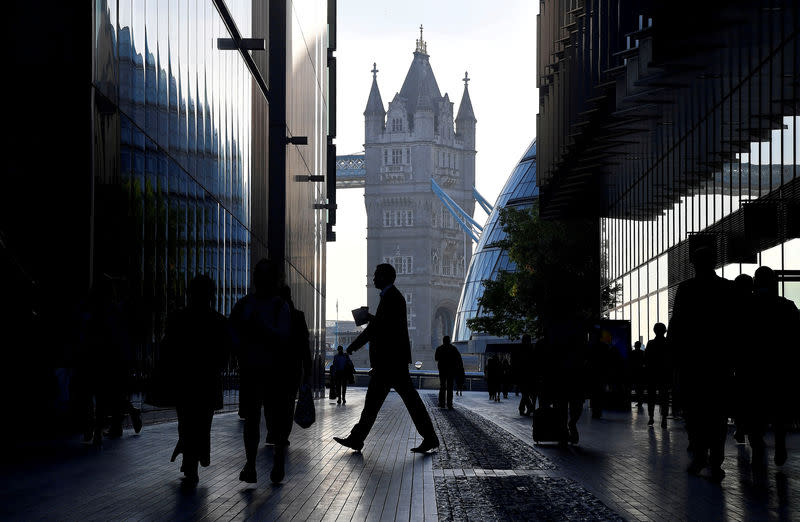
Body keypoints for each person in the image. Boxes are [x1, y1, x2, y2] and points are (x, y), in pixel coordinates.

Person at [333, 264, 439, 454]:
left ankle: (358, 438)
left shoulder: (391, 298)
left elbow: (378, 329)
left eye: (376, 276)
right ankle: (358, 438)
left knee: (386, 402)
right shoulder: (392, 297)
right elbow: (385, 325)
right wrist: (372, 318)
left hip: (389, 362)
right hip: (392, 362)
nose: (373, 279)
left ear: (385, 277)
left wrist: (353, 345)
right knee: (391, 402)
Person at [668, 244, 735, 481]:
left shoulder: (686, 289)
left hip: (692, 363)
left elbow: (676, 326)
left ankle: (699, 454)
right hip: (719, 362)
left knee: (694, 411)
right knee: (717, 413)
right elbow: (735, 327)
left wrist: (675, 358)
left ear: (694, 264)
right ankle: (716, 458)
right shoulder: (727, 288)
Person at [163, 275, 229, 485]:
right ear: (211, 295)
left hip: (184, 380)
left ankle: (190, 459)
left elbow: (167, 349)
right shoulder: (218, 321)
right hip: (207, 380)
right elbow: (223, 356)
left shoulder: (177, 318)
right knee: (202, 422)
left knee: (186, 421)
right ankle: (196, 456)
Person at [230, 259, 292, 484]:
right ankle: (257, 463)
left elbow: (282, 336)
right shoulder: (276, 306)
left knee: (261, 420)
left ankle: (262, 462)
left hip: (262, 369)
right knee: (257, 419)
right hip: (261, 370)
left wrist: (257, 328)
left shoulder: (266, 305)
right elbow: (233, 333)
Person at [745, 266, 799, 466]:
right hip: (780, 367)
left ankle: (758, 445)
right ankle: (779, 444)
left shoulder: (746, 306)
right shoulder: (787, 306)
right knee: (779, 410)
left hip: (753, 368)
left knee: (755, 410)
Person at [644, 323, 671, 428]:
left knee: (651, 397)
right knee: (664, 397)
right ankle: (664, 419)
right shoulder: (668, 343)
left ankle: (651, 418)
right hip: (664, 374)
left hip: (652, 374)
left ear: (654, 330)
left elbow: (646, 359)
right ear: (665, 331)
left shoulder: (650, 343)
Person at [435, 336, 460, 409]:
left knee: (442, 386)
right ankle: (449, 403)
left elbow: (436, 358)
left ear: (443, 341)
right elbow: (458, 359)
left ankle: (441, 403)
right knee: (450, 387)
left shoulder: (439, 348)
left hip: (442, 370)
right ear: (449, 341)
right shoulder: (453, 349)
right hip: (451, 370)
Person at [515, 334, 536, 415]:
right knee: (526, 393)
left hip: (522, 374)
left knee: (525, 393)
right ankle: (527, 408)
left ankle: (524, 408)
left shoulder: (520, 349)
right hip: (530, 374)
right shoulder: (531, 349)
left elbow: (517, 363)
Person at [629, 341, 645, 409]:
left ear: (635, 345)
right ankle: (640, 401)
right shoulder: (642, 353)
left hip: (634, 372)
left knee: (636, 388)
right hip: (640, 372)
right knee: (640, 388)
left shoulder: (632, 352)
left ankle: (639, 401)